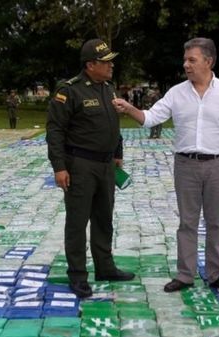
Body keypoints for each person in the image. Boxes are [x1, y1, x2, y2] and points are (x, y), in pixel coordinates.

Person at [113, 38, 219, 295]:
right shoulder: (176, 93)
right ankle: (185, 274)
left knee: (215, 223)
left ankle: (215, 274)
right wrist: (130, 108)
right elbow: (151, 118)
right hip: (186, 166)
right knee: (187, 223)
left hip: (218, 165)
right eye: (185, 60)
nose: (186, 65)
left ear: (208, 62)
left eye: (192, 60)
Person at [46, 38, 135, 298]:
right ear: (90, 65)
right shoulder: (69, 91)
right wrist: (59, 167)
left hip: (106, 165)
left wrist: (117, 153)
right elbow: (55, 131)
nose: (111, 65)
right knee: (77, 221)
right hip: (80, 165)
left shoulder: (108, 89)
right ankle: (77, 274)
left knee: (104, 218)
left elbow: (113, 125)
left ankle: (105, 266)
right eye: (106, 62)